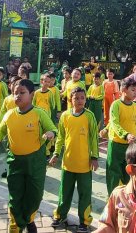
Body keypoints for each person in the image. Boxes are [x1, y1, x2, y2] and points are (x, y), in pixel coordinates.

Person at [0, 79, 57, 233]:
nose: (17, 96)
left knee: (34, 195)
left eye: (22, 93)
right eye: (14, 93)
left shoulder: (39, 113)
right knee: (15, 195)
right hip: (15, 162)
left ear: (31, 94)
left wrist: (50, 133)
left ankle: (28, 219)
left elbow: (52, 128)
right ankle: (16, 224)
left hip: (35, 162)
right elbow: (1, 130)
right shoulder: (10, 114)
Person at [49, 87, 99, 232]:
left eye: (82, 98)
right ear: (70, 99)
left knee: (84, 194)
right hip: (68, 163)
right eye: (76, 98)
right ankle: (60, 216)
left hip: (84, 164)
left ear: (85, 99)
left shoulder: (89, 116)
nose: (79, 101)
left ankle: (84, 221)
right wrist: (56, 153)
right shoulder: (65, 116)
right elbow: (60, 138)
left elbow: (94, 138)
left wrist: (94, 157)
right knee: (64, 192)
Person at [105, 78, 136, 194]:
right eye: (132, 90)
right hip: (115, 145)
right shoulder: (116, 105)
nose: (135, 93)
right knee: (113, 174)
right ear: (123, 89)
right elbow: (114, 123)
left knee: (129, 174)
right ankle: (112, 199)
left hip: (130, 147)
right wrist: (126, 135)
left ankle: (127, 199)